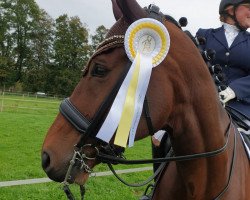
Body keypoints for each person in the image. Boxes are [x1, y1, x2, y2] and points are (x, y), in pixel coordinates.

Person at [196, 0, 250, 130]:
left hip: (241, 109)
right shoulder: (205, 35)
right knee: (164, 139)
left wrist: (233, 91)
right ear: (231, 9)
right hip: (203, 104)